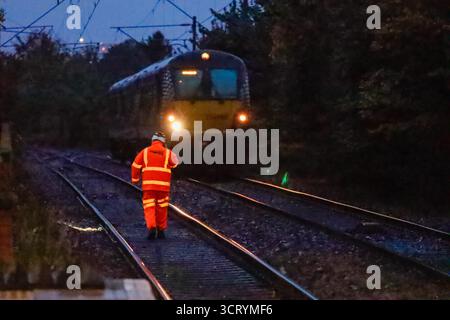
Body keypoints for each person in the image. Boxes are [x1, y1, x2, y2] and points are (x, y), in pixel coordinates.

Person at [131, 132, 179, 240]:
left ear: (152, 141)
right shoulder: (167, 153)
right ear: (163, 142)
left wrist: (135, 179)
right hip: (163, 188)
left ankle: (152, 228)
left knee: (150, 207)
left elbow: (135, 165)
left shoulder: (145, 152)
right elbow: (175, 163)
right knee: (162, 208)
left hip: (149, 188)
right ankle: (161, 231)